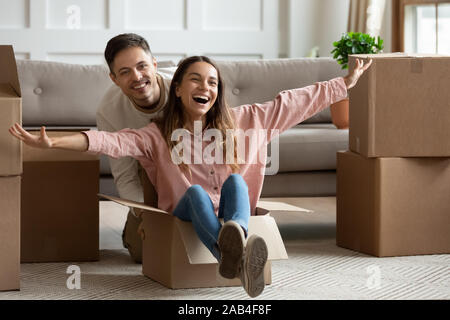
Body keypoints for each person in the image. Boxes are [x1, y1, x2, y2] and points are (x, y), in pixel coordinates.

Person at [9, 56, 372, 297]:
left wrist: (345, 83)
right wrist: (52, 142)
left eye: (213, 82)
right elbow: (109, 141)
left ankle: (234, 246)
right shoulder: (155, 134)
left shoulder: (248, 120)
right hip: (187, 210)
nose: (206, 87)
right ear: (178, 88)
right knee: (197, 194)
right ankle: (238, 251)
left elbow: (294, 101)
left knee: (234, 182)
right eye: (195, 80)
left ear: (218, 92)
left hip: (231, 207)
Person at [98, 33, 175, 263]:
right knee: (146, 252)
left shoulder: (185, 88)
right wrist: (149, 217)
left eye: (142, 66)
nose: (137, 77)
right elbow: (125, 177)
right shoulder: (109, 111)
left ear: (154, 64)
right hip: (151, 178)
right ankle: (131, 231)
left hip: (193, 172)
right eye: (125, 72)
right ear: (114, 79)